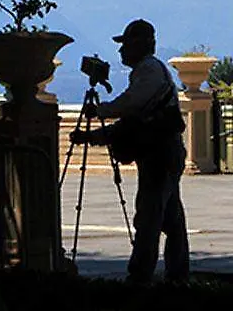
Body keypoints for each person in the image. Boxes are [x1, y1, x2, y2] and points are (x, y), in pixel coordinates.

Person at [71, 18, 190, 284]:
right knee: (171, 217)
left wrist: (100, 111)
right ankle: (177, 274)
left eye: (126, 44)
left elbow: (131, 106)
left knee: (150, 216)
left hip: (160, 155)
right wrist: (94, 135)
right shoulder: (148, 71)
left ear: (141, 45)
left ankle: (141, 275)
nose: (122, 51)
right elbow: (130, 122)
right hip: (163, 154)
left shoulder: (149, 70)